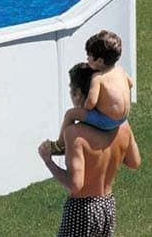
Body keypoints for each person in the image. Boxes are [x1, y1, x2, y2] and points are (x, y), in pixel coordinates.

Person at [38, 62, 141, 237]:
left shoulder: (75, 134)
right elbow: (134, 162)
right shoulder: (123, 127)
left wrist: (48, 161)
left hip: (81, 210)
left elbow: (75, 185)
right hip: (107, 206)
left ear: (77, 94)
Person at [50, 30, 134, 155]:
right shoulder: (120, 70)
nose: (87, 58)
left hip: (108, 121)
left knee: (70, 114)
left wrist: (85, 108)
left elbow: (90, 103)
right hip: (124, 116)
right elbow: (130, 84)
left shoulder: (97, 78)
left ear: (99, 61)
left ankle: (60, 145)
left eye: (89, 55)